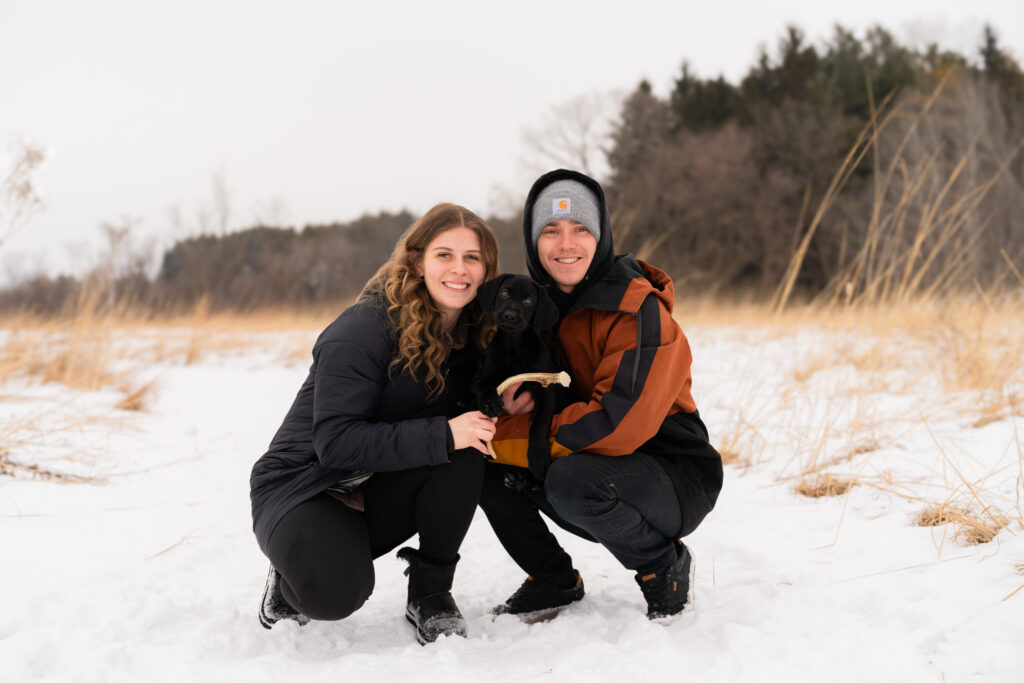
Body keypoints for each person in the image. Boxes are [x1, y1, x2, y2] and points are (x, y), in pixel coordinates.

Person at [249, 203, 500, 644]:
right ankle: (291, 570)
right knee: (333, 594)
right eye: (445, 255)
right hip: (305, 486)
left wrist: (502, 403)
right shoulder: (364, 328)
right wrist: (445, 433)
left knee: (465, 451)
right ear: (418, 260)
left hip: (375, 482)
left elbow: (461, 420)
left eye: (472, 258)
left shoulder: (474, 334)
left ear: (485, 270)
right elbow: (336, 443)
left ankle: (431, 592)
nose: (459, 268)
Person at [481, 169, 723, 620]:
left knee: (571, 480)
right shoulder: (537, 310)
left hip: (671, 472)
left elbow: (618, 425)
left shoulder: (639, 311)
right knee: (479, 462)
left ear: (602, 236)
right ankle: (552, 578)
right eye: (550, 231)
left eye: (581, 229)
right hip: (591, 459)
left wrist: (510, 433)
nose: (565, 243)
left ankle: (661, 566)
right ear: (535, 243)